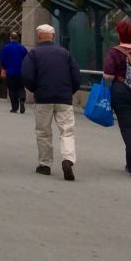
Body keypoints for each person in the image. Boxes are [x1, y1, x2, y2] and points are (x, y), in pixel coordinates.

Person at [21, 23, 81, 180]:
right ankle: (68, 159)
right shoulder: (65, 53)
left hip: (43, 98)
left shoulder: (33, 54)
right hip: (64, 98)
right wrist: (70, 91)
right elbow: (76, 76)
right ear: (53, 37)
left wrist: (35, 90)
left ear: (39, 36)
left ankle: (45, 164)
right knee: (67, 131)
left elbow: (27, 75)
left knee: (43, 132)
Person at [102, 18, 131, 180]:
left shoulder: (114, 52)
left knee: (129, 130)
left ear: (119, 34)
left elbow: (108, 75)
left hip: (122, 92)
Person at [0, 31, 29, 114]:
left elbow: (2, 59)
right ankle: (22, 99)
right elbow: (27, 60)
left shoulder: (6, 48)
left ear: (10, 38)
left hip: (10, 71)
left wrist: (5, 67)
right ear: (18, 38)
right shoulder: (23, 48)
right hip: (21, 72)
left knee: (12, 89)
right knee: (21, 87)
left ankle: (14, 108)